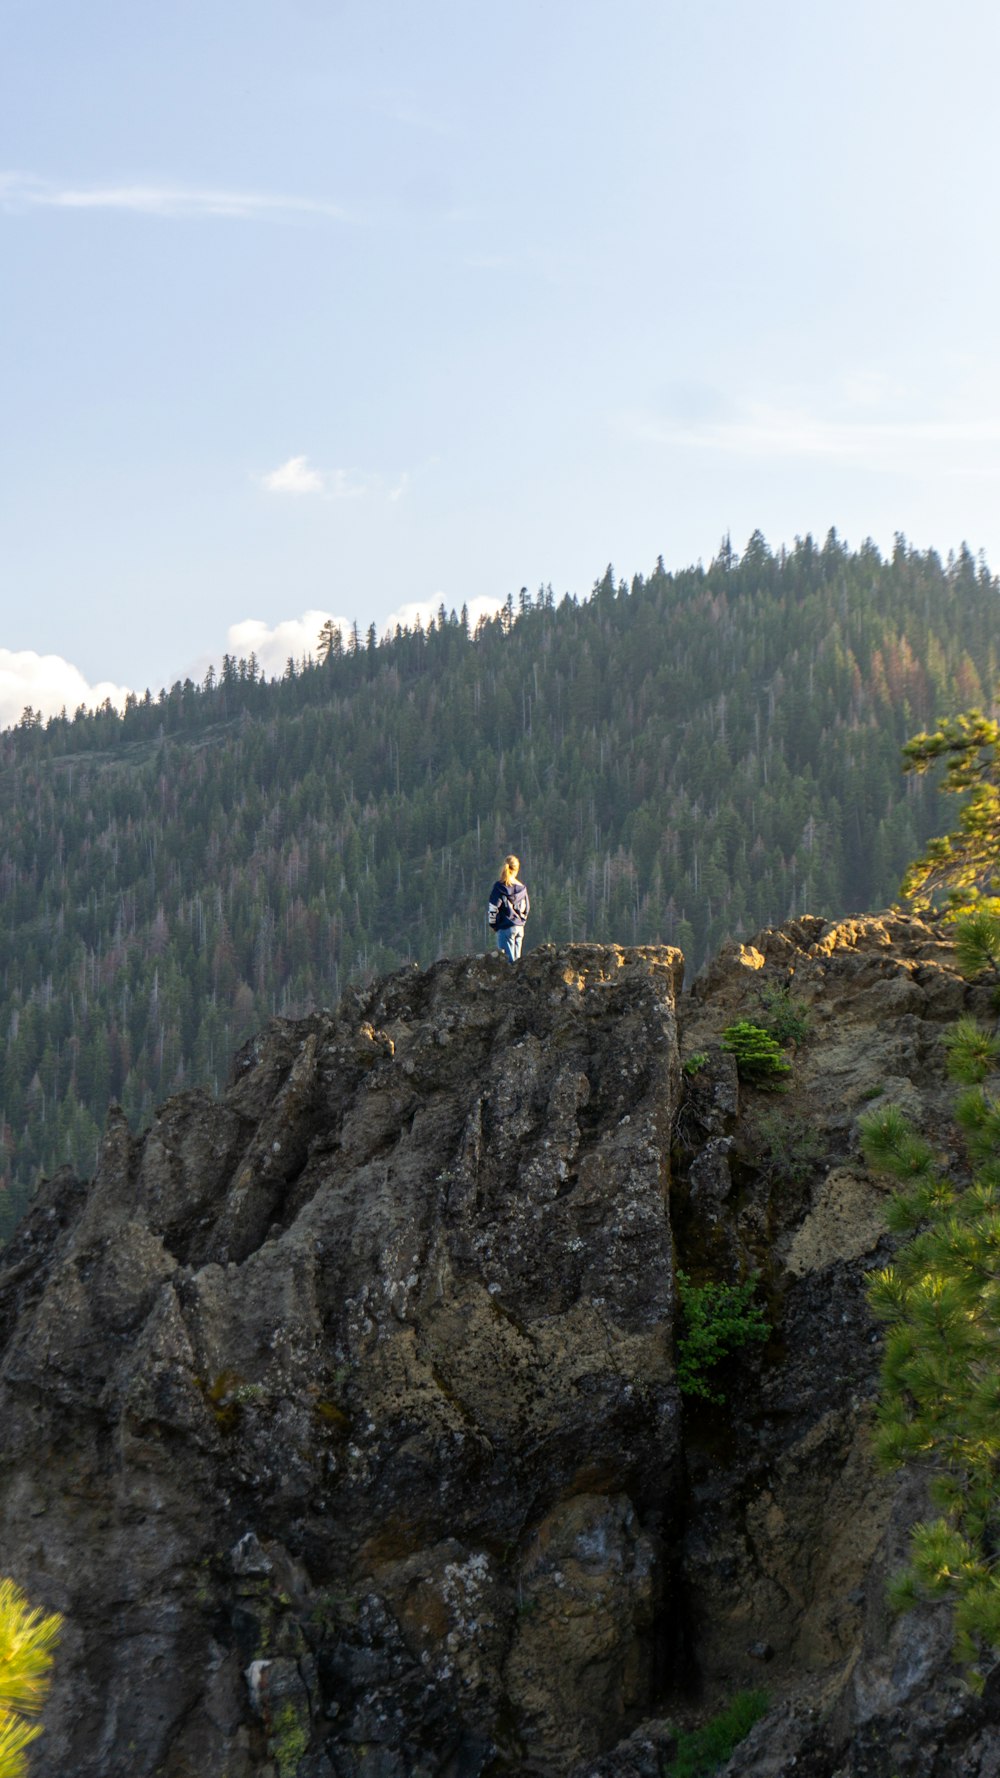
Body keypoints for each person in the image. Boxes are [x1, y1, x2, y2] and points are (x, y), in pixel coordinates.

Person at [487, 855, 530, 962]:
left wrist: (493, 924)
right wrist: (521, 921)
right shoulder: (522, 888)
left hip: (505, 928)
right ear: (517, 869)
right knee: (517, 963)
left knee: (507, 964)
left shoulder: (499, 887)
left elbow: (493, 907)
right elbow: (526, 908)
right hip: (519, 928)